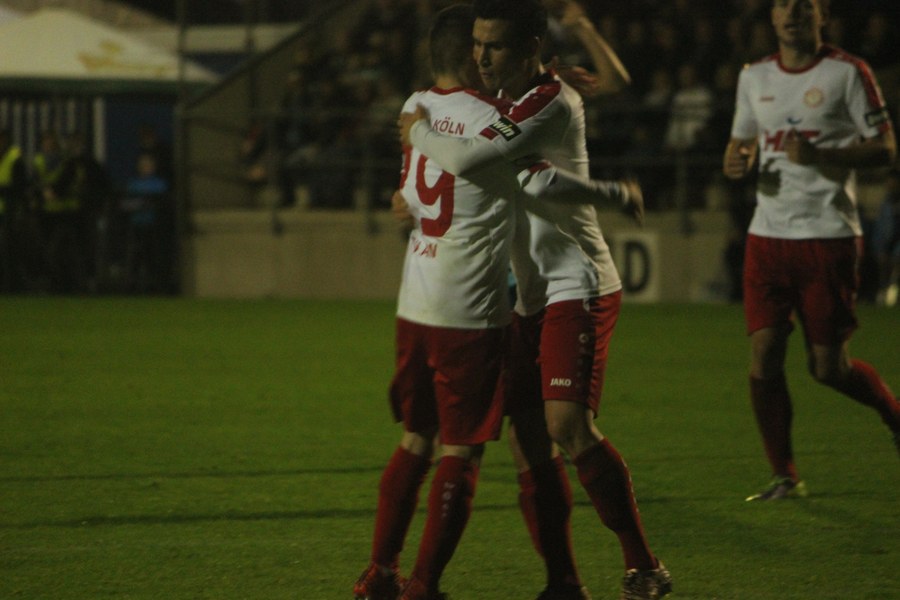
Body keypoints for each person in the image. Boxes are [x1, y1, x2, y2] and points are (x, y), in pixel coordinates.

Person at [401, 1, 671, 598]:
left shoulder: (548, 102)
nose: (480, 56)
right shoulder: (507, 100)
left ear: (530, 50)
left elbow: (467, 158)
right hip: (530, 294)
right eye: (477, 44)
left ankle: (644, 565)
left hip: (577, 282)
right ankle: (563, 583)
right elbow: (536, 179)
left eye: (494, 46)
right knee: (528, 443)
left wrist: (415, 130)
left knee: (567, 426)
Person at [722, 0, 900, 501]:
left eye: (804, 5)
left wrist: (820, 154)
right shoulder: (754, 76)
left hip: (828, 235)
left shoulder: (848, 73)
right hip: (767, 235)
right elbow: (741, 142)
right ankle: (784, 474)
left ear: (822, 15)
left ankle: (893, 415)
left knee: (828, 368)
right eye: (783, 5)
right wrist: (737, 161)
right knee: (764, 354)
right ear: (772, 17)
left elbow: (886, 149)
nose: (793, 13)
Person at [0, 129, 28, 291]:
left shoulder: (15, 158)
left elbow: (20, 187)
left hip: (9, 211)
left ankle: (11, 283)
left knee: (9, 249)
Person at [872, 168, 900, 307]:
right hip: (886, 241)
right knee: (882, 262)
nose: (891, 185)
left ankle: (893, 290)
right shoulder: (886, 203)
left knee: (896, 260)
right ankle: (882, 289)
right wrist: (880, 245)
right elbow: (881, 227)